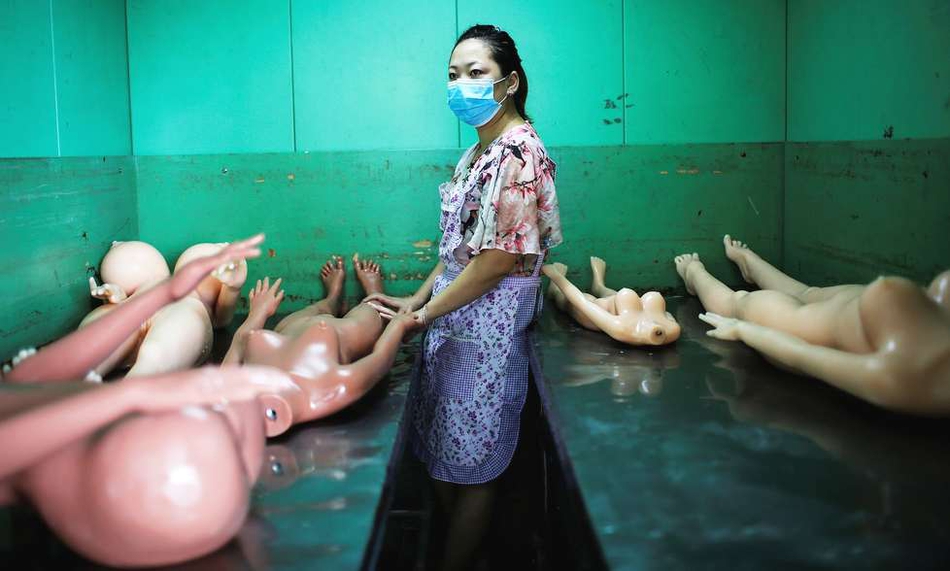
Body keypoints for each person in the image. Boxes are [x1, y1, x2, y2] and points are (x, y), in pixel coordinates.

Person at [364, 24, 562, 569]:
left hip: (487, 337)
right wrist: (415, 303)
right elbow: (458, 252)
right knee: (445, 456)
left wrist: (426, 313)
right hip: (453, 326)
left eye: (476, 73)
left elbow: (497, 260)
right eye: (453, 75)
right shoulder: (479, 152)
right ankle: (462, 553)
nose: (461, 85)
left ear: (510, 82)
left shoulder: (519, 154)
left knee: (473, 469)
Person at [674, 234, 950, 415]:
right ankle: (751, 264)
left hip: (804, 326)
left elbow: (803, 356)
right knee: (808, 292)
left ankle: (694, 274)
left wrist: (743, 329)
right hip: (851, 304)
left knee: (739, 302)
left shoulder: (904, 379)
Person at [223, 254, 415, 436]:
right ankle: (376, 296)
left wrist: (258, 313)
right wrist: (398, 325)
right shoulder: (333, 389)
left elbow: (240, 343)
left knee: (316, 309)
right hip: (343, 333)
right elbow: (380, 359)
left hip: (290, 330)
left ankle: (332, 298)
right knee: (372, 310)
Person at [76, 239, 252, 378]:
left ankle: (128, 390)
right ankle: (85, 374)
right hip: (137, 305)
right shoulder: (151, 281)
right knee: (115, 330)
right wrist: (115, 298)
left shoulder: (195, 300)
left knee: (157, 350)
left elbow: (221, 320)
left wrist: (232, 287)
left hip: (184, 312)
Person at [543, 256, 681, 346]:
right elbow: (667, 314)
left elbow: (582, 302)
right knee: (625, 297)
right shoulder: (672, 329)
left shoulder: (621, 328)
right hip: (618, 304)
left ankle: (554, 291)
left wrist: (556, 276)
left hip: (594, 313)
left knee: (567, 301)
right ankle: (599, 286)